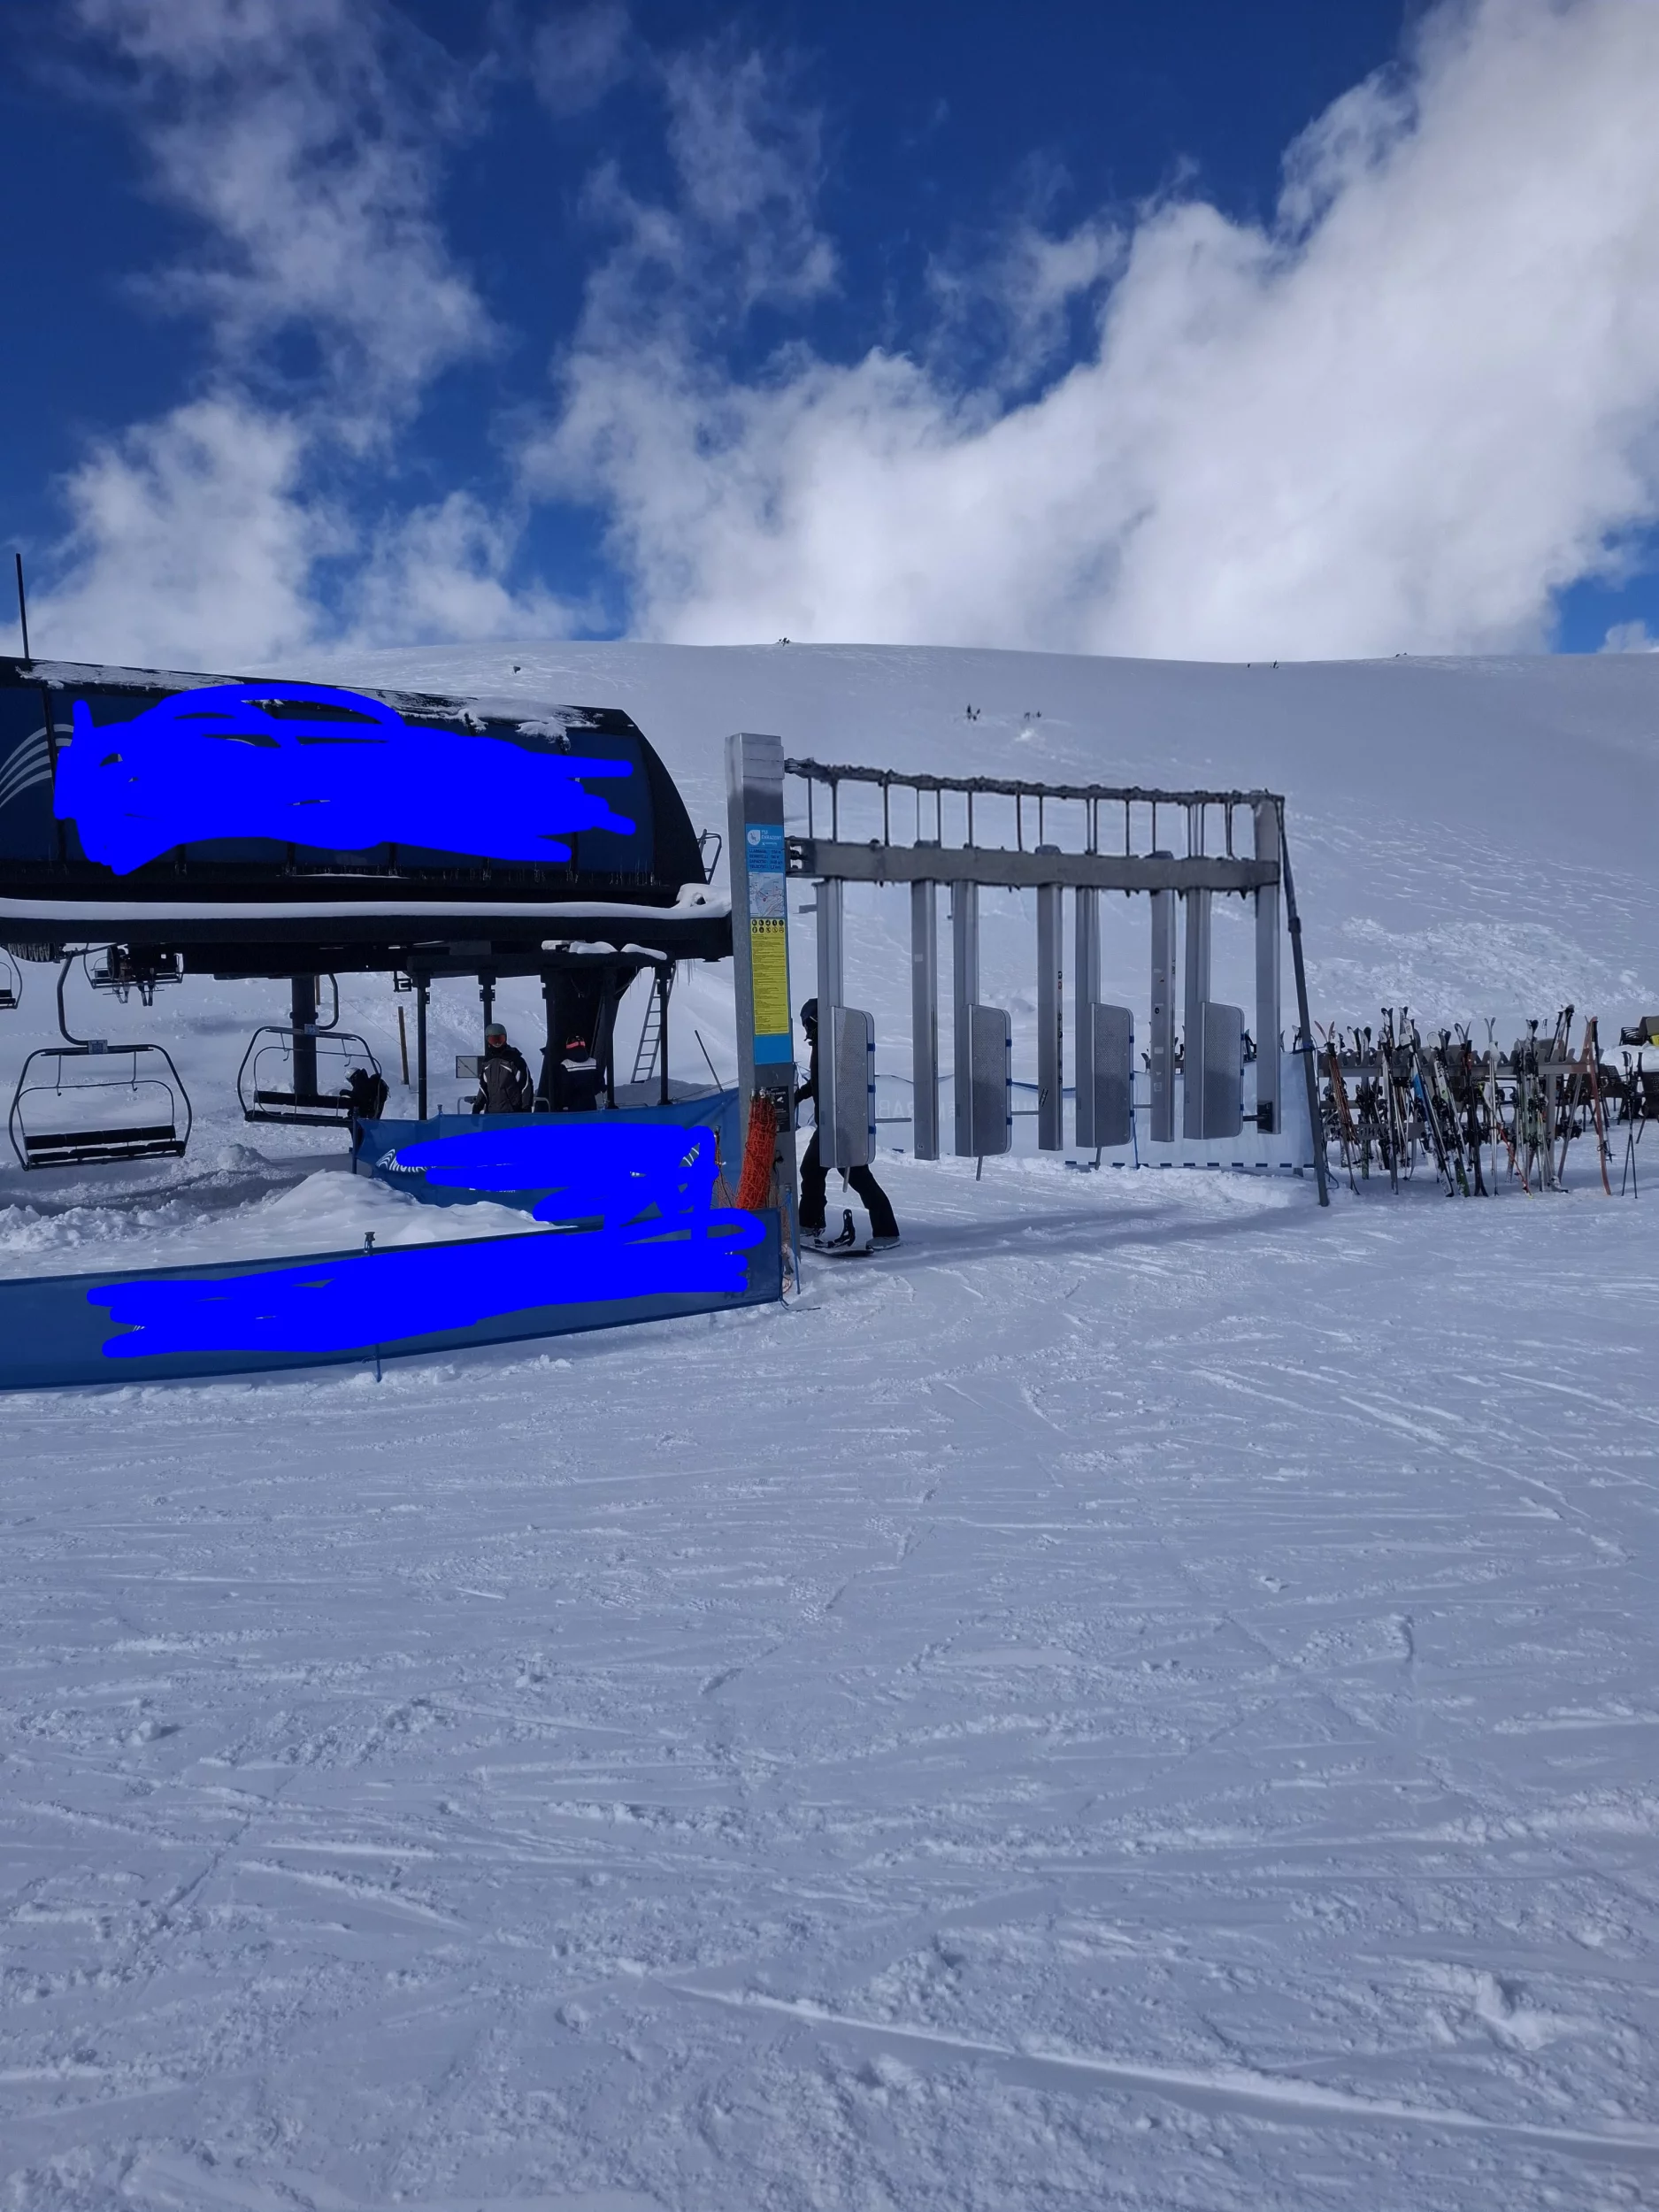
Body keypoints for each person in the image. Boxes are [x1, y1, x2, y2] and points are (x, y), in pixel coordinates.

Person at [795, 997, 899, 1245]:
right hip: (829, 1123)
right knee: (811, 1169)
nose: (806, 1029)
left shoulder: (837, 1043)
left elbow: (847, 1079)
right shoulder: (822, 1043)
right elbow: (820, 1081)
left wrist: (844, 1113)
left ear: (815, 1020)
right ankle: (810, 1223)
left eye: (807, 1023)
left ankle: (887, 1232)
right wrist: (797, 1096)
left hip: (844, 1123)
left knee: (856, 1174)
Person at [472, 1021, 533, 1114]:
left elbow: (526, 1086)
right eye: (493, 1040)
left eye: (500, 1039)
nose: (497, 1043)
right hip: (492, 1114)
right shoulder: (487, 1062)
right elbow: (484, 1088)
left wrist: (526, 1109)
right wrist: (477, 1107)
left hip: (512, 1114)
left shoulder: (515, 1060)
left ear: (505, 1039)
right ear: (488, 1040)